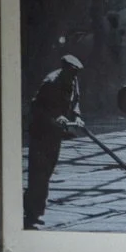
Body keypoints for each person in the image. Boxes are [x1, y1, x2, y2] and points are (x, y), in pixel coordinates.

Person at [23, 54, 84, 229]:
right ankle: (32, 214)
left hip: (55, 135)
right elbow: (37, 106)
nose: (74, 78)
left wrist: (77, 116)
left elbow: (76, 101)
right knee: (38, 173)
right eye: (72, 73)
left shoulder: (72, 80)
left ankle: (35, 210)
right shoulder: (51, 82)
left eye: (76, 74)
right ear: (64, 70)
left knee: (47, 172)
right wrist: (55, 117)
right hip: (40, 133)